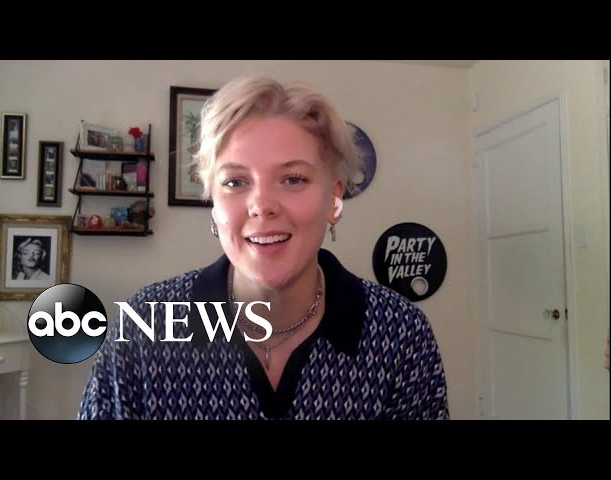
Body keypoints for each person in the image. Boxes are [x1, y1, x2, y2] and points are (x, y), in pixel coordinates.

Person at [78, 75, 449, 420]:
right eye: (235, 182)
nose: (261, 205)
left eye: (293, 178)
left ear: (333, 198)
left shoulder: (401, 335)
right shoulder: (144, 328)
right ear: (213, 201)